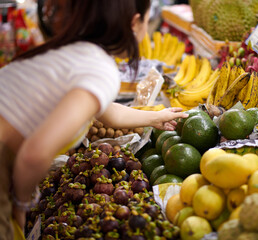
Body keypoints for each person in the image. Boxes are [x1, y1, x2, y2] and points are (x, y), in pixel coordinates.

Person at [0, 0, 188, 239]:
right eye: (147, 21)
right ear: (133, 23)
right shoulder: (100, 67)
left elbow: (108, 111)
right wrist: (21, 203)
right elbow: (34, 154)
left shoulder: (74, 50)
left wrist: (156, 117)